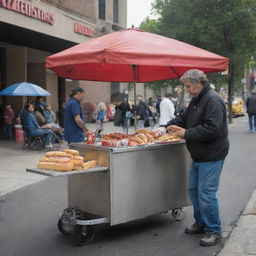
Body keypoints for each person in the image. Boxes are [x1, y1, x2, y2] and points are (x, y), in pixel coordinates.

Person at [166, 69, 229, 246]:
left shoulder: (212, 100)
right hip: (200, 154)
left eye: (187, 86)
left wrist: (186, 133)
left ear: (198, 83)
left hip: (212, 154)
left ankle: (214, 231)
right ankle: (201, 222)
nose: (186, 89)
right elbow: (183, 118)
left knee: (206, 193)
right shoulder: (196, 99)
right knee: (194, 191)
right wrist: (166, 126)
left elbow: (212, 129)